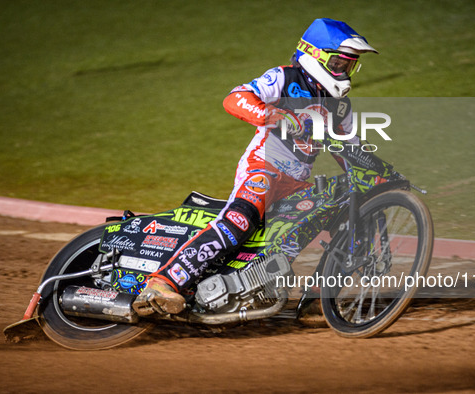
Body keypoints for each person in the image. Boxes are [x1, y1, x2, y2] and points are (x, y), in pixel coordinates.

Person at [132, 18, 379, 316]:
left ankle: (317, 299)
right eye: (340, 63)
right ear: (316, 56)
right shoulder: (285, 78)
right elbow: (235, 99)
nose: (344, 72)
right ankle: (163, 283)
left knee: (347, 211)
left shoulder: (341, 107)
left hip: (298, 182)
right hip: (263, 168)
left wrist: (380, 175)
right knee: (239, 221)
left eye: (350, 66)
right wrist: (276, 116)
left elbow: (350, 150)